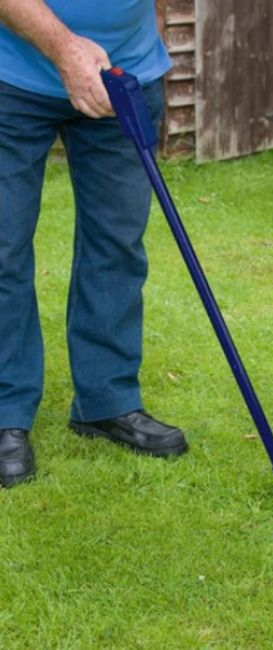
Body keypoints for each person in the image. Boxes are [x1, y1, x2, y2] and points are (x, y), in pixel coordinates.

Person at [0, 0, 188, 488]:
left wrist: (145, 50)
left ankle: (107, 402)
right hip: (9, 77)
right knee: (2, 249)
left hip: (121, 77)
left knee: (117, 245)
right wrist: (66, 50)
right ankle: (5, 412)